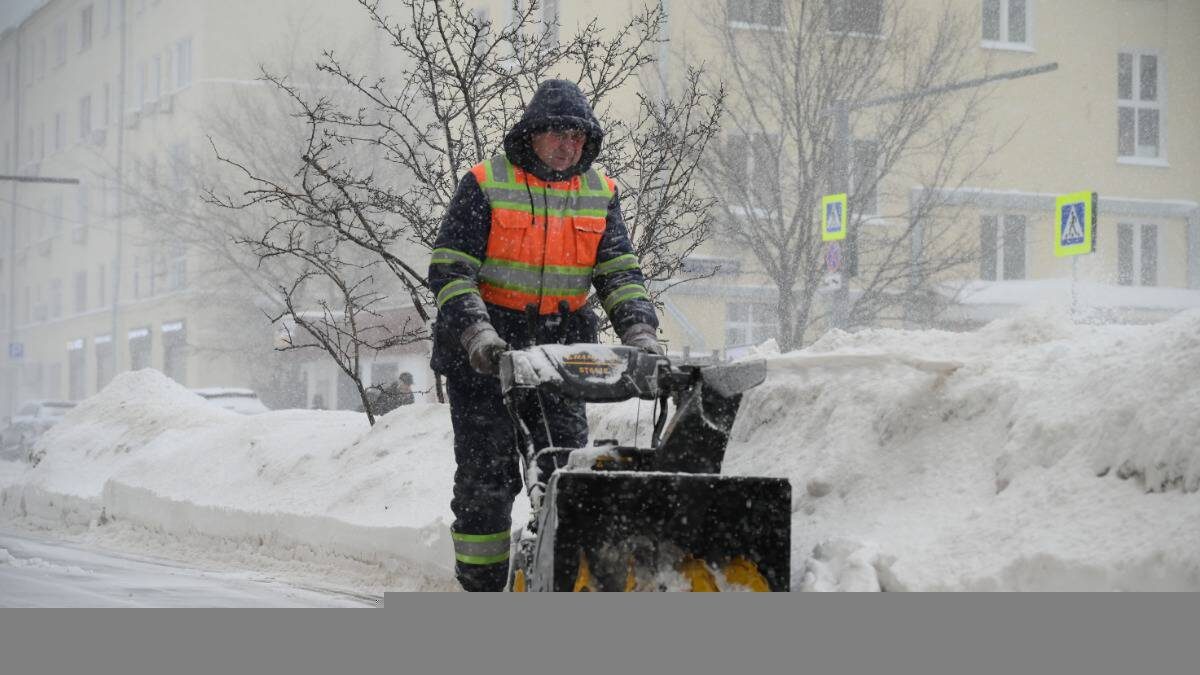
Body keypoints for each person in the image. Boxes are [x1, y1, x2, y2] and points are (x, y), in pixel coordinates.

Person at [428, 79, 662, 592]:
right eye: (558, 134)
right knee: (487, 480)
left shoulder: (600, 194)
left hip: (560, 352)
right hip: (486, 354)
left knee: (564, 473)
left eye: (578, 138)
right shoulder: (487, 183)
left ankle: (561, 579)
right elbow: (450, 271)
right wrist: (478, 336)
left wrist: (641, 333)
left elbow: (620, 274)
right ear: (532, 134)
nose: (568, 145)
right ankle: (483, 586)